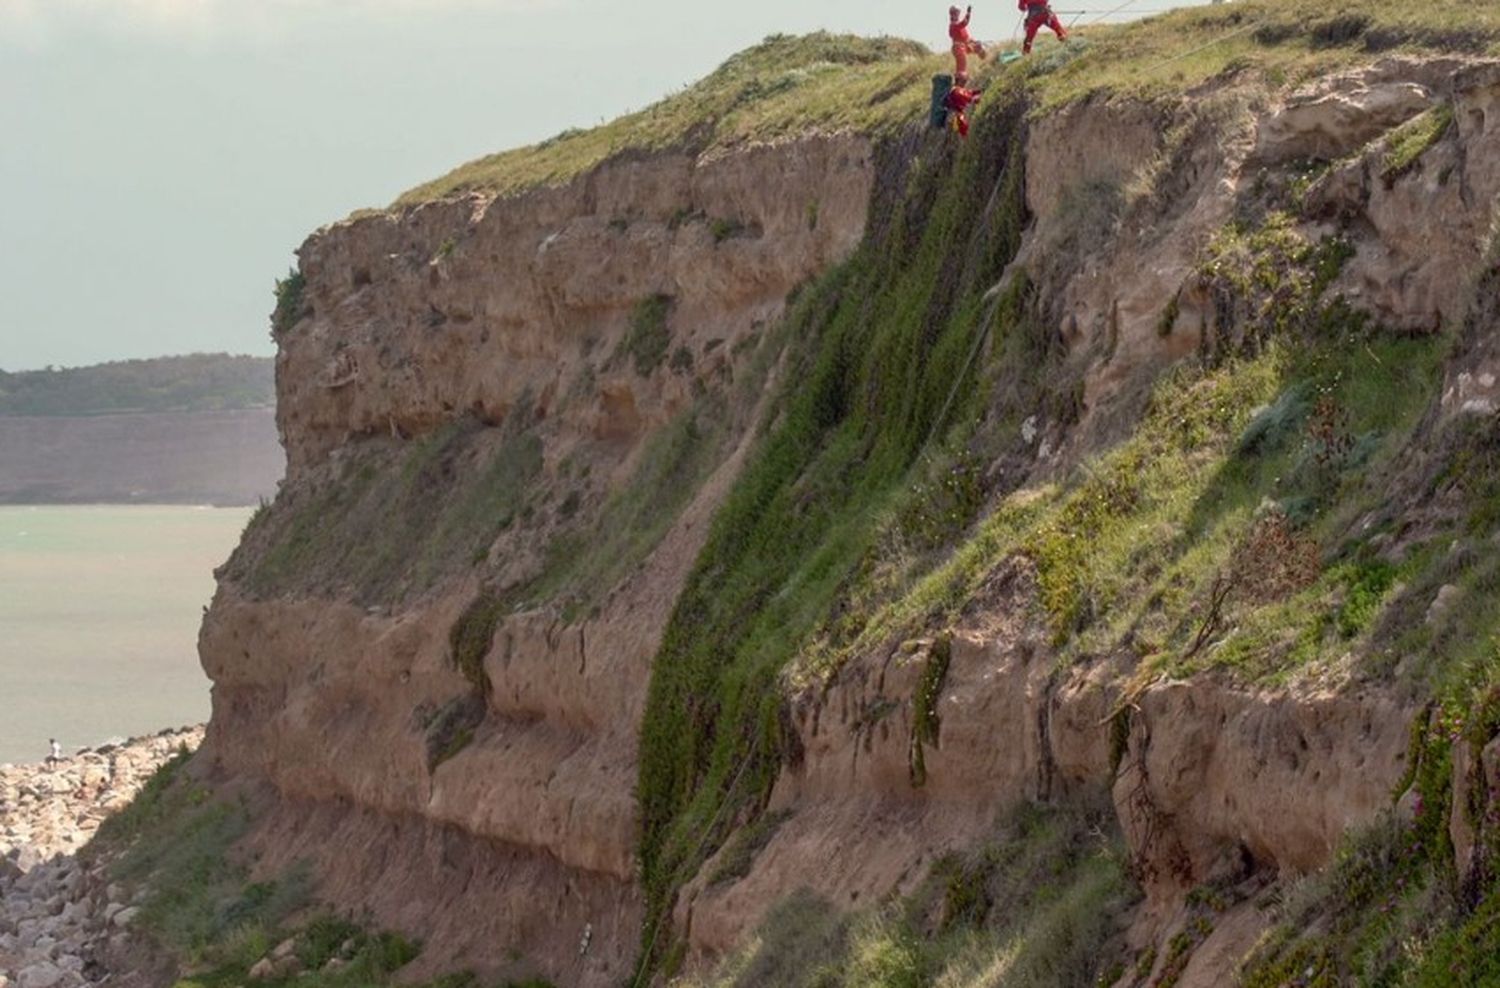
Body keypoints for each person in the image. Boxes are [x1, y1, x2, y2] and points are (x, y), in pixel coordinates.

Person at [948, 5, 986, 76]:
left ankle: (986, 59)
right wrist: (968, 14)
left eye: (958, 13)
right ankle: (959, 84)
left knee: (978, 47)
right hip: (958, 48)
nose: (957, 15)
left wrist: (974, 42)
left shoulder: (958, 24)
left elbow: (966, 37)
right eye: (956, 13)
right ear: (952, 14)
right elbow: (964, 23)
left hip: (964, 46)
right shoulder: (953, 24)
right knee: (962, 68)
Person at [944, 74, 983, 138]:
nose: (965, 82)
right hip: (962, 115)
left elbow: (969, 93)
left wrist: (978, 91)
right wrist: (978, 97)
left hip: (960, 114)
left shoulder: (956, 90)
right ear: (959, 81)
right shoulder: (957, 92)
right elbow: (969, 99)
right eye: (964, 80)